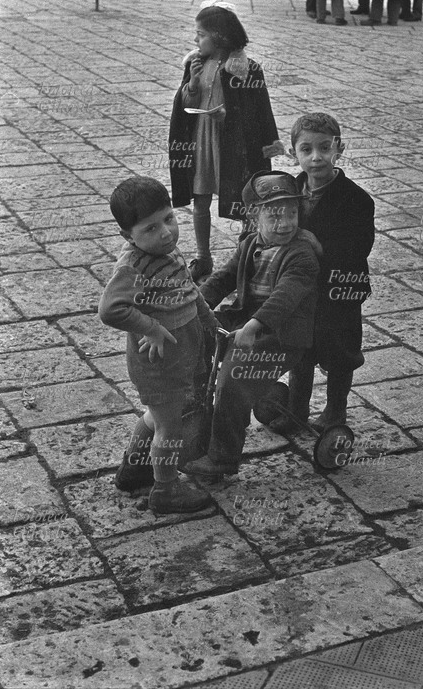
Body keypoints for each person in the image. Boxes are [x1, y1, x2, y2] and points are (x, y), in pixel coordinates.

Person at [180, 171, 320, 478]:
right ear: (254, 215)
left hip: (282, 332)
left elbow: (284, 298)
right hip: (249, 318)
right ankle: (197, 414)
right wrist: (196, 304)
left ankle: (222, 458)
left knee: (233, 380)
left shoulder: (302, 254)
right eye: (274, 215)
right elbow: (225, 277)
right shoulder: (250, 244)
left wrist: (254, 326)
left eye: (292, 214)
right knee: (199, 335)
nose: (284, 223)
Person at [98, 176, 218, 514]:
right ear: (128, 236)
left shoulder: (166, 250)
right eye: (150, 228)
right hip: (159, 361)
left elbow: (188, 291)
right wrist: (149, 328)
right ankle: (166, 490)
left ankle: (134, 470)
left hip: (182, 353)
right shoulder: (135, 265)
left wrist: (210, 322)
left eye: (168, 219)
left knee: (158, 415)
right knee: (170, 426)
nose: (165, 232)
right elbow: (110, 309)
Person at [168, 0, 283, 283]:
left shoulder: (245, 68)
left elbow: (259, 109)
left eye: (201, 33)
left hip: (234, 145)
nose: (195, 39)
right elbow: (184, 103)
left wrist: (230, 116)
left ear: (218, 36)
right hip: (201, 139)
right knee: (200, 197)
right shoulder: (196, 63)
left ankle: (245, 257)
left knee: (244, 199)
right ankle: (203, 257)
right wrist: (192, 85)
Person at [274, 113, 374, 434]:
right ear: (293, 153)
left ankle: (335, 410)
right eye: (306, 149)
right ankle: (296, 409)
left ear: (339, 149)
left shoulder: (356, 200)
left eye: (324, 148)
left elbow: (358, 248)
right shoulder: (289, 191)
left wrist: (313, 247)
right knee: (300, 351)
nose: (316, 157)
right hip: (302, 292)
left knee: (339, 352)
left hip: (339, 290)